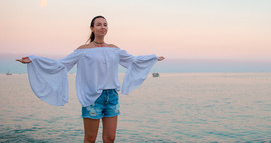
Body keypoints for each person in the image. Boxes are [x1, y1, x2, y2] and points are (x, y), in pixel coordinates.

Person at [17, 16, 165, 143]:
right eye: (99, 24)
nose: (103, 27)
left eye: (105, 24)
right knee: (90, 139)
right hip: (93, 97)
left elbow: (133, 61)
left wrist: (153, 58)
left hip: (112, 96)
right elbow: (60, 65)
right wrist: (34, 60)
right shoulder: (82, 50)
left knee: (110, 139)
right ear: (92, 28)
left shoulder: (114, 49)